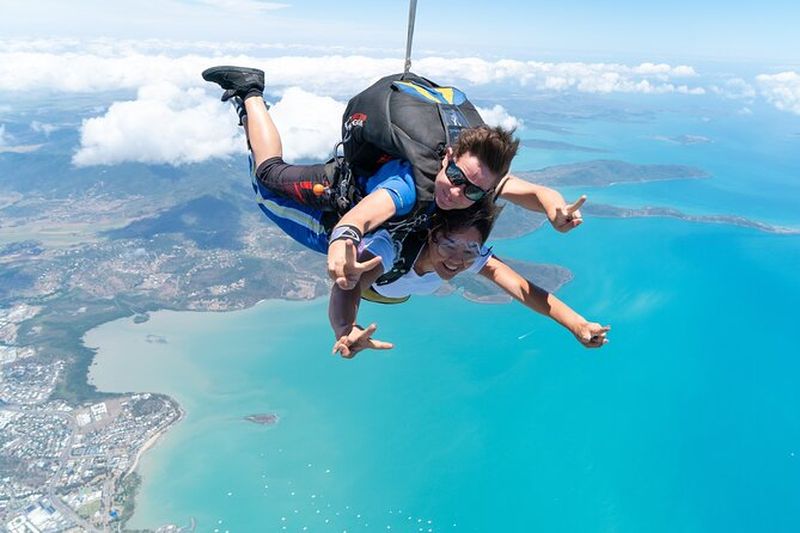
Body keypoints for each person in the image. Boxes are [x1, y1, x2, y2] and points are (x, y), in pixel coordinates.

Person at [201, 66, 588, 291]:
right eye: (455, 176)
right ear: (448, 156)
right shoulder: (409, 185)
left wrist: (555, 209)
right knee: (267, 178)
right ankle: (250, 92)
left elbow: (534, 192)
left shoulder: (476, 180)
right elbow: (359, 219)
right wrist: (342, 242)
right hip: (338, 187)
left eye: (473, 190)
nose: (457, 192)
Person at [328, 202, 610, 357]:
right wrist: (345, 328)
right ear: (431, 234)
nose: (457, 259)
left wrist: (577, 324)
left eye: (470, 250)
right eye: (449, 245)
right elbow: (347, 288)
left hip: (395, 293)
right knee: (279, 175)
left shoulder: (471, 254)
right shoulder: (392, 249)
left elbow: (524, 289)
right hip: (374, 286)